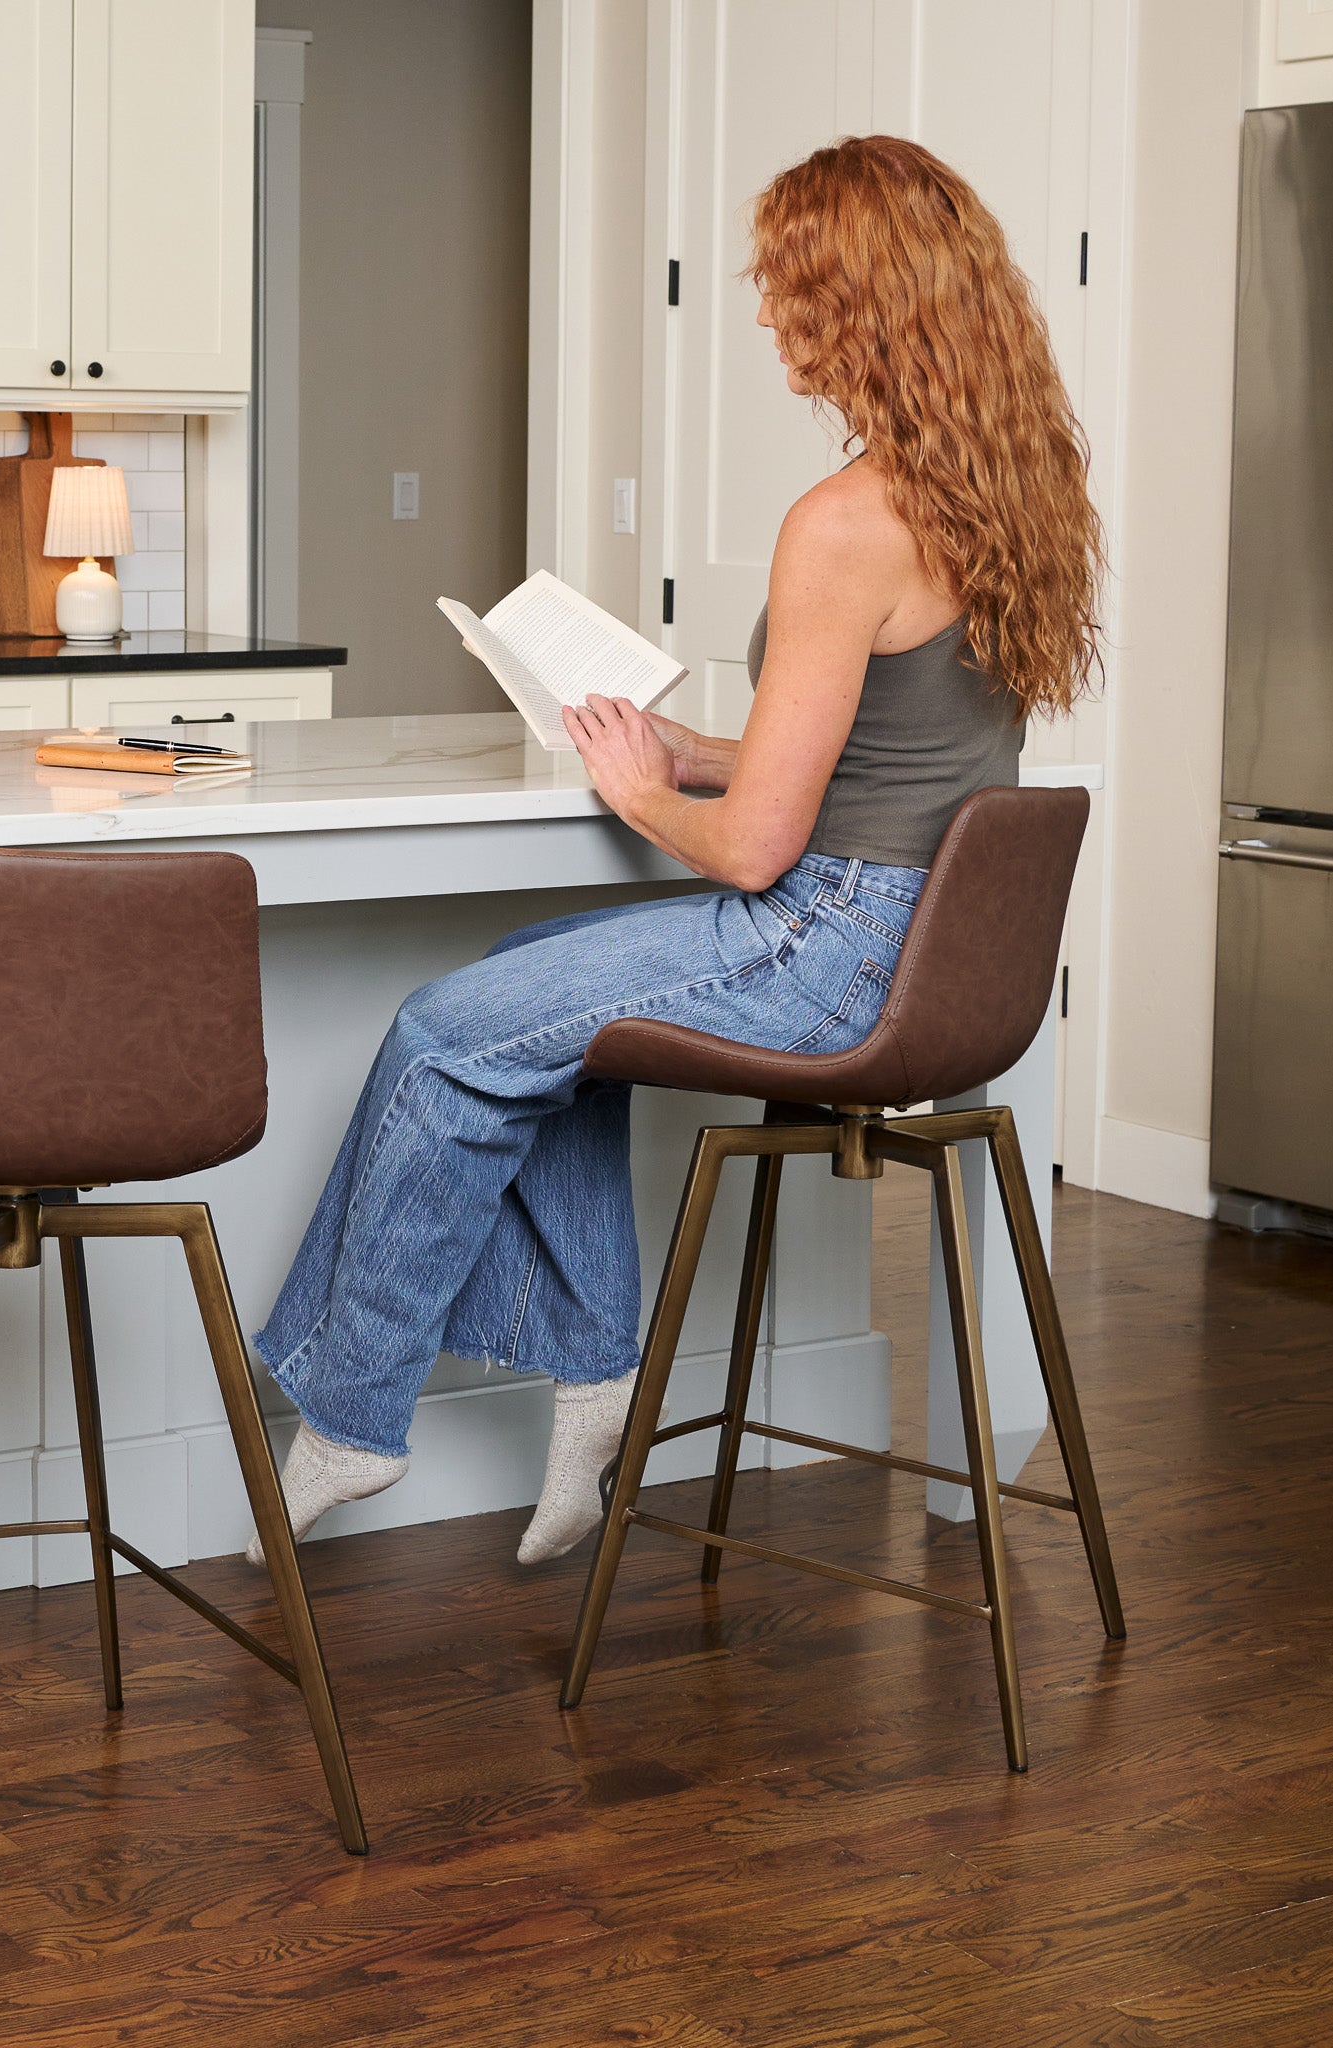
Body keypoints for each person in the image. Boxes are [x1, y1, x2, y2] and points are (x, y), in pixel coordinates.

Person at [249, 134, 1104, 1570]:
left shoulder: (840, 524)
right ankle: (594, 1377)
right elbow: (883, 749)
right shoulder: (1013, 489)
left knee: (446, 1029)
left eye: (786, 285)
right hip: (932, 956)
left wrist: (649, 799)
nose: (766, 312)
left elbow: (760, 850)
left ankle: (355, 1409)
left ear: (859, 298)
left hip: (826, 946)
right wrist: (690, 746)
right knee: (548, 1003)